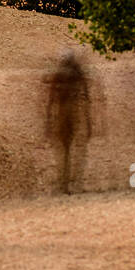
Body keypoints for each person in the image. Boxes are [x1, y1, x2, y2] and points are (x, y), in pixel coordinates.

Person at [44, 49, 94, 194]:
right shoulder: (74, 75)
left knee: (66, 149)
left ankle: (66, 183)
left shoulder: (63, 75)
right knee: (69, 149)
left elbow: (51, 100)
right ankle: (68, 183)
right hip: (69, 113)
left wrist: (48, 122)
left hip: (67, 113)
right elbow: (86, 98)